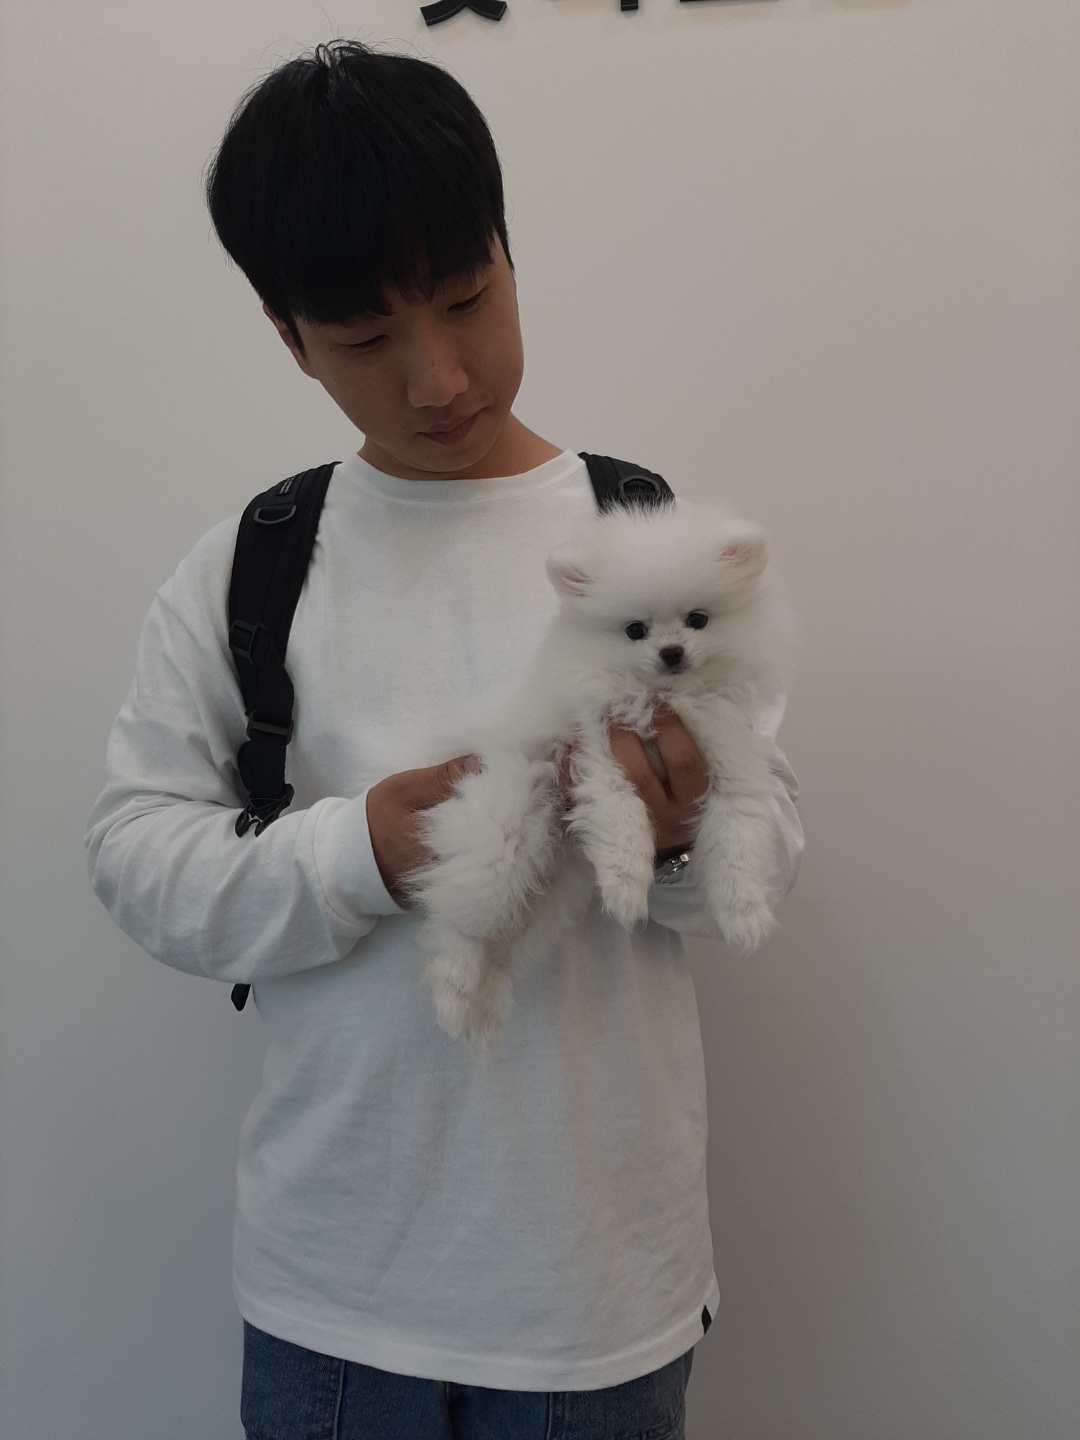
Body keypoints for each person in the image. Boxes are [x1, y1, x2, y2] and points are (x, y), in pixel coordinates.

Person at [86, 40, 803, 1440]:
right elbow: (133, 857)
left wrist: (674, 838)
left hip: (602, 1301)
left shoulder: (647, 543)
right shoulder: (252, 566)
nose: (438, 377)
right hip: (331, 1306)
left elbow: (765, 858)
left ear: (508, 253)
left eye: (468, 299)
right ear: (289, 336)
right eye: (364, 340)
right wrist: (359, 851)